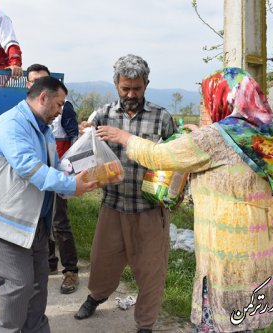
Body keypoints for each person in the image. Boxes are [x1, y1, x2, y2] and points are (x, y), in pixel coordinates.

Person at [96, 68, 273, 332]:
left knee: (219, 321)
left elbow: (159, 157)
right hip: (258, 247)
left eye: (205, 101)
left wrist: (124, 137)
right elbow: (221, 156)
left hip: (226, 254)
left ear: (221, 99)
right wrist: (201, 133)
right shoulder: (262, 132)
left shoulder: (217, 136)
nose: (203, 106)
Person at [0, 75, 98, 332]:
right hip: (3, 224)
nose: (61, 111)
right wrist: (72, 185)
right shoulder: (12, 124)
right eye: (59, 105)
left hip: (34, 225)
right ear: (43, 97)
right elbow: (28, 167)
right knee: (18, 284)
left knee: (38, 285)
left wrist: (79, 166)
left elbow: (54, 167)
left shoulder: (44, 129)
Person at [74, 54, 177, 333]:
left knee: (151, 271)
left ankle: (145, 325)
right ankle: (96, 296)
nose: (131, 94)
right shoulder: (103, 114)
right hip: (113, 205)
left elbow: (176, 159)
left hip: (149, 210)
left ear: (147, 84)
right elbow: (83, 153)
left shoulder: (162, 118)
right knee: (102, 260)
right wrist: (84, 133)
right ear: (116, 85)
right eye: (125, 88)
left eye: (137, 88)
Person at [25, 64, 81, 294]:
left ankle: (71, 270)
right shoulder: (24, 115)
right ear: (29, 87)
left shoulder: (62, 110)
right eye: (34, 81)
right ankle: (47, 265)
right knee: (40, 221)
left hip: (58, 175)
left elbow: (76, 140)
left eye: (43, 80)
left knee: (59, 222)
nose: (39, 84)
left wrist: (70, 172)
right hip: (38, 178)